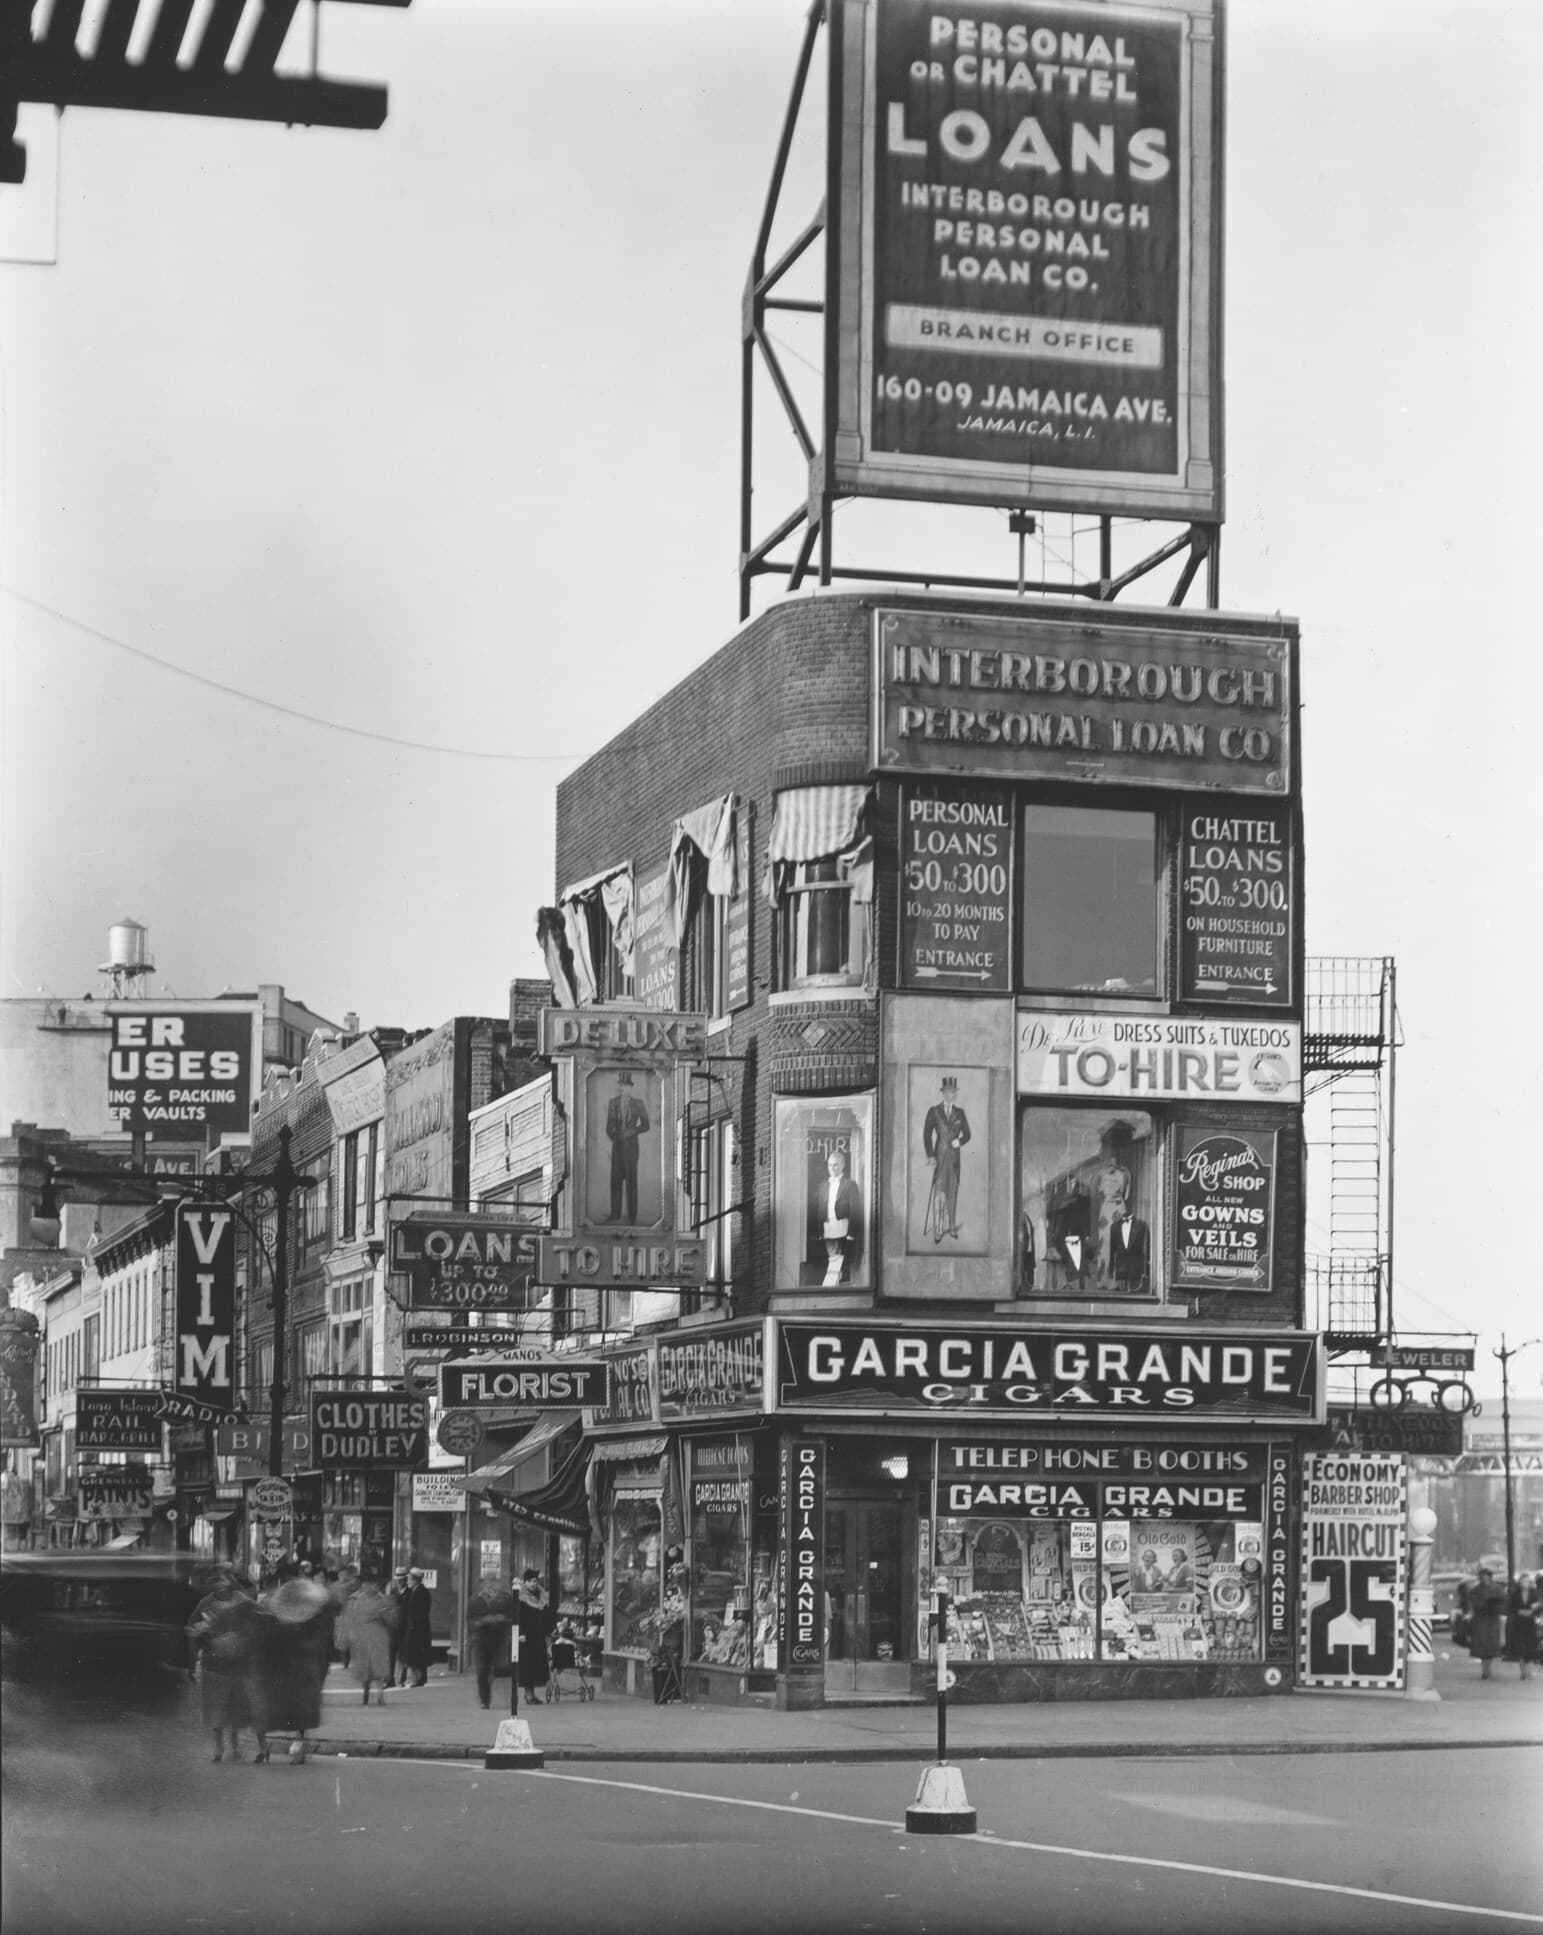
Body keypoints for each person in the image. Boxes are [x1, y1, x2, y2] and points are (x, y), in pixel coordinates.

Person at [186, 1569, 269, 1765]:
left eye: (224, 1581)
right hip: (215, 1665)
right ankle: (219, 1746)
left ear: (232, 1582)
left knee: (249, 1708)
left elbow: (262, 1626)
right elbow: (192, 1628)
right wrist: (192, 1659)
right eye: (216, 1581)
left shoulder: (245, 1602)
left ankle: (260, 1747)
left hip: (243, 1664)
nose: (220, 1585)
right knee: (217, 1708)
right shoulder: (206, 1603)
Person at [259, 1571, 333, 1761]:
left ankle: (293, 1744)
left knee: (296, 1705)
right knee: (289, 1705)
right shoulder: (271, 1605)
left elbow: (320, 1636)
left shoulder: (311, 1606)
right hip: (286, 1662)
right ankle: (290, 1744)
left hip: (295, 1662)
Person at [922, 1074, 971, 1242]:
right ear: (943, 1093)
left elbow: (968, 1135)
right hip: (940, 1158)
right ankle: (938, 1230)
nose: (953, 1095)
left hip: (955, 1161)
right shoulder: (934, 1112)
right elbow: (927, 1135)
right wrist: (930, 1156)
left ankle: (951, 1227)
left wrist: (960, 1141)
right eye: (949, 1092)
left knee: (952, 1193)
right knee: (939, 1195)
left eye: (954, 1092)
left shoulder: (960, 1113)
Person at [339, 1572, 399, 1705]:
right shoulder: (355, 1600)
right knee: (365, 1669)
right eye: (366, 1585)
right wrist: (349, 1637)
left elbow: (392, 1620)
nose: (370, 1587)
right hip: (363, 1638)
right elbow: (350, 1619)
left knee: (379, 1668)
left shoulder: (383, 1600)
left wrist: (384, 1615)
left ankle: (379, 1693)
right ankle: (366, 1691)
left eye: (372, 1585)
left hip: (378, 1638)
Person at [808, 1145, 863, 1287]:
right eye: (830, 1165)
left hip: (842, 1223)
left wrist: (852, 1232)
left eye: (836, 1165)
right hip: (828, 1224)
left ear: (843, 1165)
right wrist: (820, 1230)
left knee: (838, 1254)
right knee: (832, 1254)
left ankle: (831, 1282)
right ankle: (835, 1280)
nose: (833, 1168)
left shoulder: (850, 1185)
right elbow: (820, 1208)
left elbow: (855, 1209)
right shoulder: (823, 1185)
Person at [605, 1068, 651, 1224]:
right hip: (617, 1147)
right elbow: (608, 1127)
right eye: (621, 1086)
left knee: (632, 1181)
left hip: (632, 1147)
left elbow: (646, 1125)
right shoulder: (613, 1103)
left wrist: (633, 1131)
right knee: (616, 1180)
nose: (623, 1088)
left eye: (625, 1086)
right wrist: (616, 1136)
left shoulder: (638, 1104)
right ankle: (615, 1214)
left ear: (631, 1087)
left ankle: (632, 1216)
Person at [467, 1570, 513, 1710]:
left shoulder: (505, 1599)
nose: (491, 1584)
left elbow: (512, 1617)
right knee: (482, 1670)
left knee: (500, 1668)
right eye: (488, 1581)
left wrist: (502, 1620)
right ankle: (484, 1700)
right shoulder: (475, 1600)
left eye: (494, 1580)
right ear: (483, 1583)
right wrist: (480, 1624)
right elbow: (470, 1621)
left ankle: (498, 1692)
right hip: (481, 1640)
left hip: (499, 1639)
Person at [515, 1569, 555, 1704]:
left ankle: (532, 1694)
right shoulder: (521, 1598)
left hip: (538, 1636)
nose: (534, 1583)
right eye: (531, 1581)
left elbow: (546, 1615)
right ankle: (528, 1694)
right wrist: (520, 1634)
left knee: (536, 1666)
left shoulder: (542, 1596)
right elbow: (518, 1618)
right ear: (525, 1582)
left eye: (535, 1581)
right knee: (527, 1666)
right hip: (526, 1638)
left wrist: (550, 1629)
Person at [1467, 1565, 1508, 1680]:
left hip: (1493, 1619)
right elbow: (1473, 1602)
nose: (1484, 1579)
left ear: (1490, 1577)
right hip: (1481, 1620)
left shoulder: (1497, 1588)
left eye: (1486, 1577)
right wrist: (1482, 1605)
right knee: (1482, 1647)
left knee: (1491, 1646)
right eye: (1482, 1577)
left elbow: (1503, 1602)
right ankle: (1484, 1670)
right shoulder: (1476, 1590)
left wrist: (1495, 1606)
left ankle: (1488, 1669)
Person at [399, 1567, 433, 1687]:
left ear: (415, 1580)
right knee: (417, 1654)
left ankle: (417, 1679)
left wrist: (413, 1625)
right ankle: (420, 1678)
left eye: (409, 1579)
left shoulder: (420, 1592)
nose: (407, 1581)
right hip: (418, 1628)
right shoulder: (417, 1590)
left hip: (417, 1629)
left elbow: (419, 1612)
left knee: (416, 1655)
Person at [1506, 1571, 1539, 1680]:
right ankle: (1522, 1672)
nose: (1525, 1583)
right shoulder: (1515, 1594)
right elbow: (1510, 1608)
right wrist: (1519, 1611)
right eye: (1523, 1581)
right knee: (1520, 1647)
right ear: (1519, 1582)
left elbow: (1538, 1607)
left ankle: (1528, 1671)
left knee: (1530, 1647)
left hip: (1530, 1623)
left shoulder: (1534, 1593)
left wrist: (1532, 1612)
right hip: (1518, 1623)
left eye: (1527, 1581)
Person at [387, 1566, 411, 1686]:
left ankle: (402, 1679)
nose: (399, 1582)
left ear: (406, 1580)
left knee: (403, 1655)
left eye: (401, 1580)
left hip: (404, 1628)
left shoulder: (410, 1593)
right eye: (398, 1579)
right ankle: (390, 1679)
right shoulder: (393, 1592)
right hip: (393, 1628)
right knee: (391, 1655)